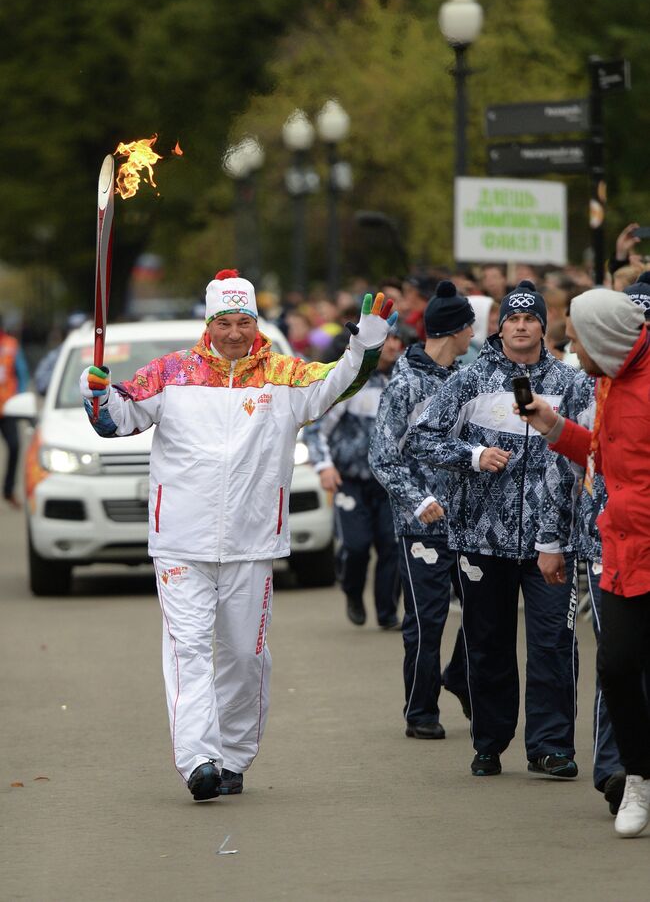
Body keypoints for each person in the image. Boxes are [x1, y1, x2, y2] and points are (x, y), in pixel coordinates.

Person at [79, 270, 397, 802]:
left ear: (255, 322)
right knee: (189, 651)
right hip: (180, 540)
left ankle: (233, 756)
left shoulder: (281, 375)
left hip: (252, 542)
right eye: (224, 322)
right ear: (209, 323)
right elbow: (119, 420)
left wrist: (364, 344)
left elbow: (338, 381)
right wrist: (99, 395)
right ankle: (199, 760)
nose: (233, 332)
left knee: (244, 656)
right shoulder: (172, 372)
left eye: (243, 321)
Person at [405, 280, 578, 778]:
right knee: (488, 643)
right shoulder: (470, 381)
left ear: (545, 326)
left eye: (531, 319)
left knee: (552, 643)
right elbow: (419, 440)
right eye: (513, 319)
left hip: (553, 541)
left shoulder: (569, 383)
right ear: (498, 327)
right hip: (482, 540)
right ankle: (489, 740)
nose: (521, 326)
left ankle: (550, 746)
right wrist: (473, 456)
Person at [517, 288, 650, 838]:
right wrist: (551, 424)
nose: (570, 351)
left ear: (605, 341)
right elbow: (599, 452)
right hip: (621, 553)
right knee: (617, 669)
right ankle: (638, 779)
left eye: (575, 341)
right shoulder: (607, 379)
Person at [369, 282, 473, 739]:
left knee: (484, 615)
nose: (475, 334)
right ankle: (421, 710)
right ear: (458, 330)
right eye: (471, 326)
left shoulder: (467, 379)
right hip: (423, 526)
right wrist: (419, 500)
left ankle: (459, 676)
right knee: (427, 619)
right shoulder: (406, 384)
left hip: (472, 523)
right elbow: (382, 455)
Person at [536, 371, 625, 813]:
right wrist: (551, 541)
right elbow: (566, 465)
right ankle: (614, 770)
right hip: (603, 545)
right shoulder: (584, 387)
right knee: (618, 658)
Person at [304, 327, 405, 629]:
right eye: (388, 339)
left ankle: (387, 613)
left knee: (391, 546)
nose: (394, 345)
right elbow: (315, 428)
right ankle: (352, 592)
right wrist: (325, 466)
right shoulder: (353, 383)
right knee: (357, 545)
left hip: (390, 481)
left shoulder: (405, 381)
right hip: (351, 479)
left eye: (399, 339)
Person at [0, 314, 29, 508]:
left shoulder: (11, 345)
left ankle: (9, 490)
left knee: (15, 446)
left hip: (7, 408)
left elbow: (22, 373)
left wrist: (20, 400)